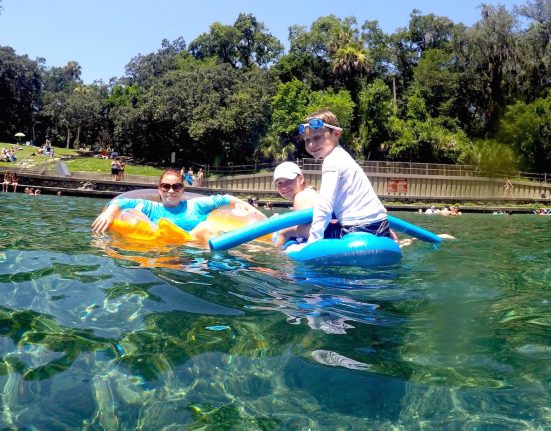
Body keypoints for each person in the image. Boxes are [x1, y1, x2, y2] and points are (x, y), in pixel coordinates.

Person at [91, 168, 263, 241]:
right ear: (159, 189)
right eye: (166, 186)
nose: (171, 191)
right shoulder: (150, 207)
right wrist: (108, 213)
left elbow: (224, 198)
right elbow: (121, 202)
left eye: (176, 186)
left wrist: (259, 217)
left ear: (183, 190)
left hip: (198, 252)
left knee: (205, 228)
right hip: (164, 252)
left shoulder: (194, 206)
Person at [297, 110, 390, 244]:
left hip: (357, 229)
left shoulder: (331, 162)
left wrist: (313, 242)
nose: (311, 145)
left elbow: (324, 205)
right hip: (381, 226)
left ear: (336, 134)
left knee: (292, 230)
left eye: (317, 137)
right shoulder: (343, 156)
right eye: (307, 140)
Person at [272, 161, 341, 248]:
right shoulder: (311, 191)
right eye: (279, 183)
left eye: (289, 181)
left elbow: (311, 227)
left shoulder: (301, 196)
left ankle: (275, 257)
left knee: (284, 232)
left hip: (329, 234)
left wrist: (285, 232)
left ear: (301, 179)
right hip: (336, 230)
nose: (284, 186)